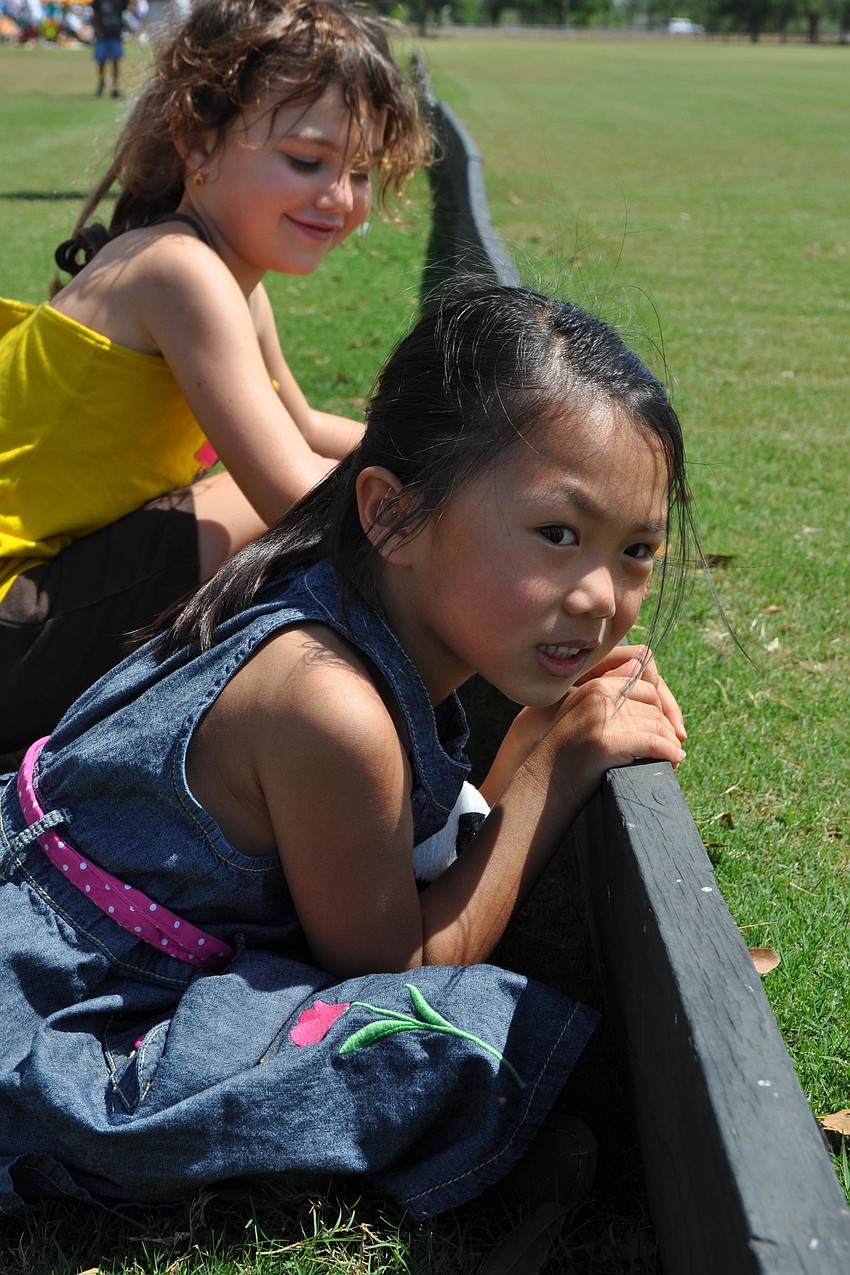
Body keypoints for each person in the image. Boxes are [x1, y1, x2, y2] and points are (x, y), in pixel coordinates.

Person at [0, 286, 693, 1267]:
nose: (601, 596)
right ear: (394, 513)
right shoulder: (332, 704)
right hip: (51, 1020)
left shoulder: (339, 608)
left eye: (635, 551)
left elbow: (410, 845)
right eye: (556, 535)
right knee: (460, 1029)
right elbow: (392, 971)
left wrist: (538, 740)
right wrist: (557, 772)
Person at [0, 0, 431, 755]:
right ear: (197, 144)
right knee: (310, 507)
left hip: (40, 607)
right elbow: (292, 494)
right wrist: (461, 532)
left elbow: (304, 429)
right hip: (13, 632)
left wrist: (458, 466)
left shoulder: (224, 273)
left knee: (339, 480)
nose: (339, 198)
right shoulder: (182, 271)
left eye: (359, 173)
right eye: (306, 161)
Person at [91, 0, 127, 98]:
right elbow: (95, 14)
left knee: (116, 60)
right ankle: (102, 82)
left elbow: (129, 7)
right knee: (101, 61)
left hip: (115, 34)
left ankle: (115, 87)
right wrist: (97, 29)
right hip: (102, 35)